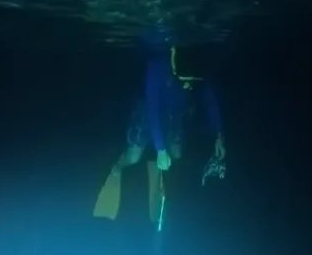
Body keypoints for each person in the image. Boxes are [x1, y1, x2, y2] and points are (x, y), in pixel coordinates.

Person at [93, 43, 225, 221]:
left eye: (192, 82)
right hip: (146, 109)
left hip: (173, 112)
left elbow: (210, 99)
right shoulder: (157, 67)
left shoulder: (198, 64)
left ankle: (157, 177)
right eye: (184, 81)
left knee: (176, 155)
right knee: (133, 157)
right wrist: (161, 149)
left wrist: (219, 136)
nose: (187, 87)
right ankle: (115, 170)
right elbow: (153, 109)